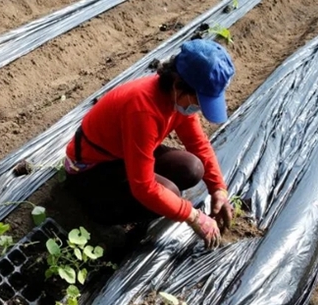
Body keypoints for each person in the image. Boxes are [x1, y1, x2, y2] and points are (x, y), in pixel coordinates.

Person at [63, 40, 235, 249]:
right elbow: (143, 186)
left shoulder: (176, 101)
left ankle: (142, 203)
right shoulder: (143, 110)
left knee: (192, 167)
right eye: (200, 101)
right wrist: (192, 216)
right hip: (90, 171)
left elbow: (198, 143)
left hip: (121, 154)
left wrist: (218, 189)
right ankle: (101, 216)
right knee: (170, 194)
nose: (199, 109)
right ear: (177, 85)